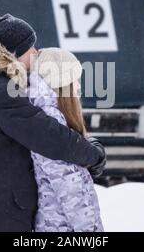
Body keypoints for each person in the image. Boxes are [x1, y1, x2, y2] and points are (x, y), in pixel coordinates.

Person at [0, 12, 106, 232]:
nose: (35, 52)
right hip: (4, 216)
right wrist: (93, 155)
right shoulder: (1, 92)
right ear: (14, 53)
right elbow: (49, 137)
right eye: (30, 48)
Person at [28, 48, 104, 232]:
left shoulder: (48, 115)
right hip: (61, 226)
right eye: (75, 79)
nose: (78, 86)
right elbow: (70, 188)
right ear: (62, 82)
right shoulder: (51, 121)